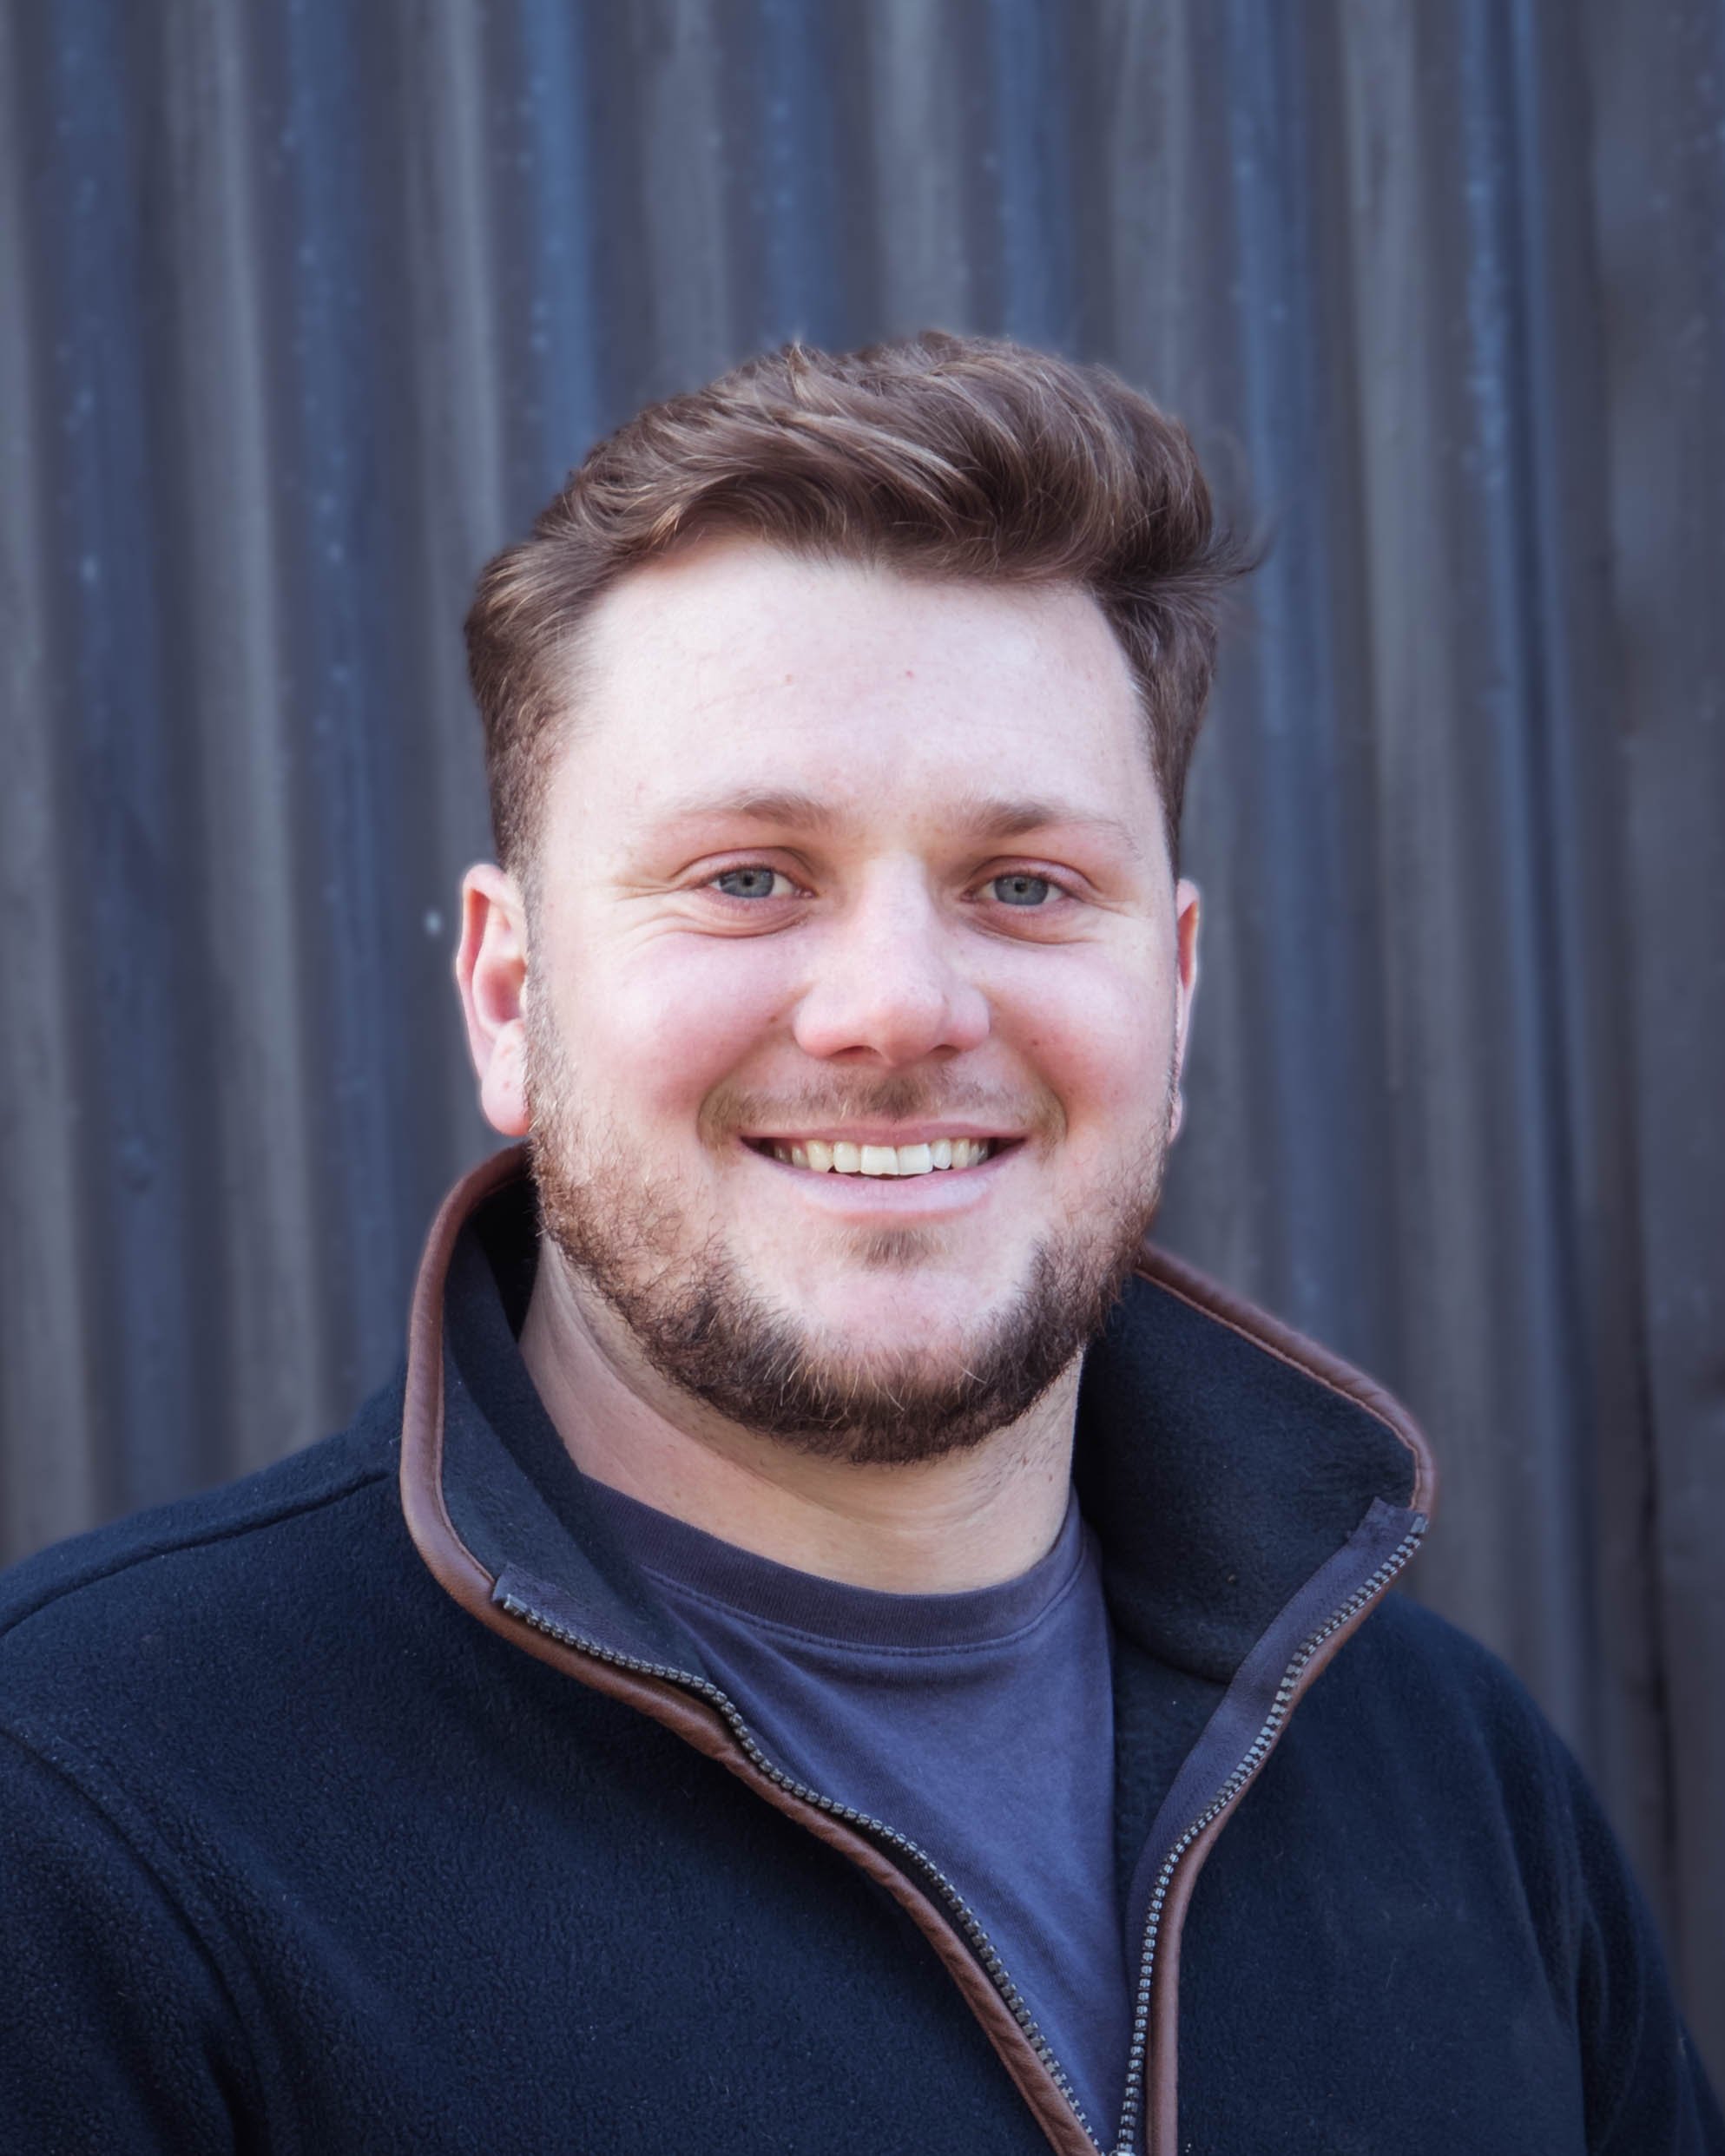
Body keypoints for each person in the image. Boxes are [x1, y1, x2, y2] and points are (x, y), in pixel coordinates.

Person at [0, 333, 1716, 2156]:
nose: (895, 1007)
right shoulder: (89, 1820)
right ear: (510, 998)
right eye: (748, 877)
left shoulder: (1445, 1780)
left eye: (1024, 887)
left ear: (1178, 991)